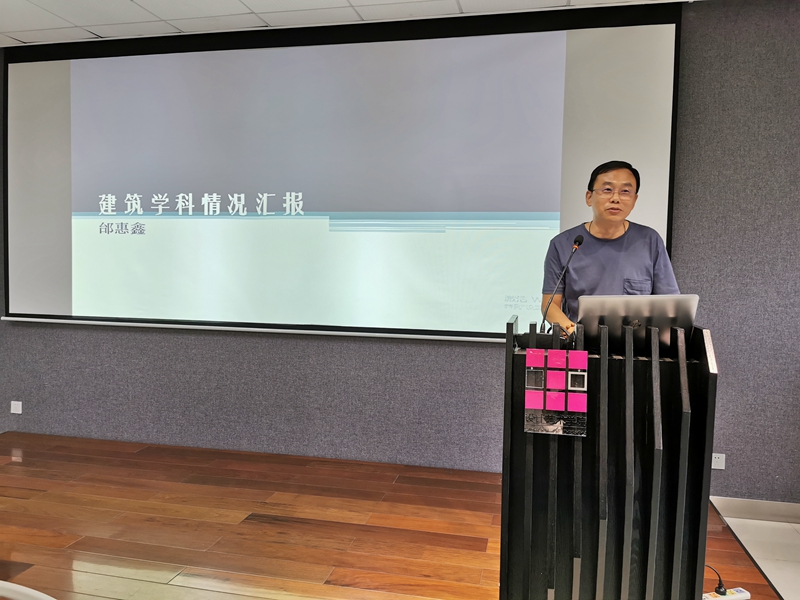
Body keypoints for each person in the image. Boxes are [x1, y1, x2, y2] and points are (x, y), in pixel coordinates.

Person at [541, 160, 679, 336]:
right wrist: (574, 333)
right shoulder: (563, 244)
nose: (615, 198)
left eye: (625, 191)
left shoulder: (650, 241)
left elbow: (670, 304)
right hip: (580, 344)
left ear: (634, 200)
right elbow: (550, 305)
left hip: (635, 346)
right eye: (607, 190)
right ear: (589, 197)